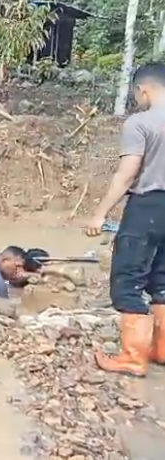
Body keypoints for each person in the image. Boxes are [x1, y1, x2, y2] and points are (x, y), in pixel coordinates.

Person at [83, 63, 165, 378]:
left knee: (128, 280)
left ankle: (133, 358)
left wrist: (100, 212)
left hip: (147, 207)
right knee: (162, 279)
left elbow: (127, 173)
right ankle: (159, 349)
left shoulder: (140, 123)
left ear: (143, 90)